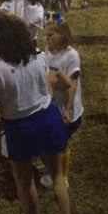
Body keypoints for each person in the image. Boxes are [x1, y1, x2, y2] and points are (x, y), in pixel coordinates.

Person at [0, 10, 80, 214]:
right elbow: (48, 83)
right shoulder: (37, 56)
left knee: (24, 180)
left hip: (18, 127)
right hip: (47, 118)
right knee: (58, 177)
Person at [42, 23, 84, 186]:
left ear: (63, 36)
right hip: (53, 105)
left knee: (62, 144)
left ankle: (62, 176)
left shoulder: (71, 55)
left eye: (51, 34)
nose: (47, 38)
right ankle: (54, 166)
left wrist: (67, 109)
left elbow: (72, 84)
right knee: (54, 141)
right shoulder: (47, 52)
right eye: (46, 35)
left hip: (67, 107)